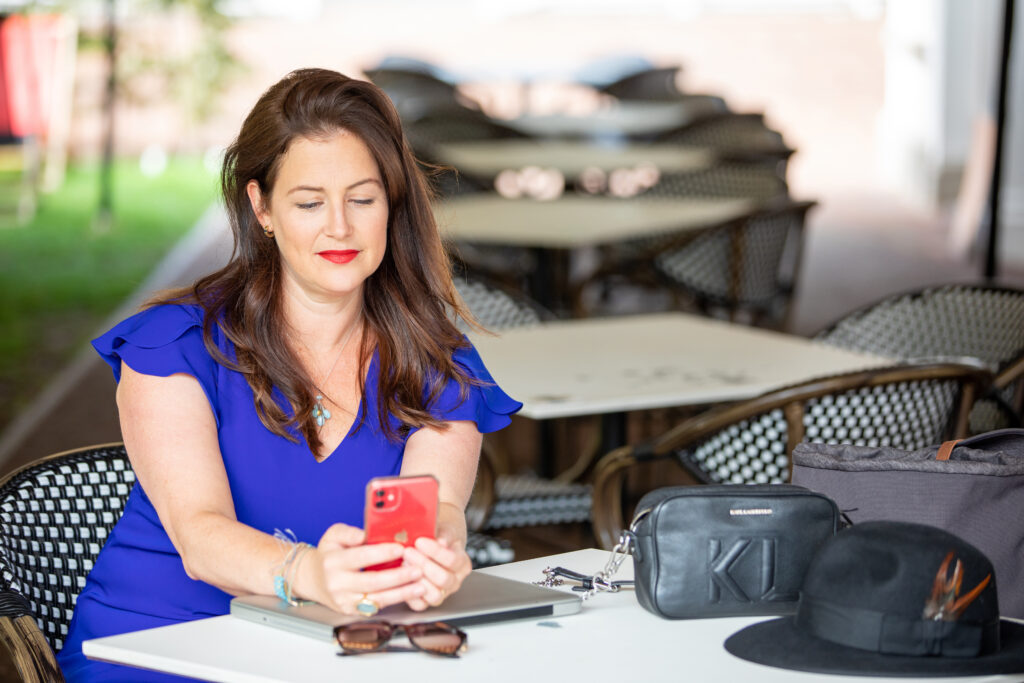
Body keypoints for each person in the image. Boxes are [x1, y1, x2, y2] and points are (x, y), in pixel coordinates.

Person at [57, 68, 521, 681]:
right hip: (160, 647)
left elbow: (436, 509)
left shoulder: (437, 361)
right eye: (309, 202)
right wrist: (306, 573)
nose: (339, 226)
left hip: (329, 655)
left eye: (362, 198)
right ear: (262, 208)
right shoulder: (173, 344)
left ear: (393, 204)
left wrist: (439, 555)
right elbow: (199, 536)